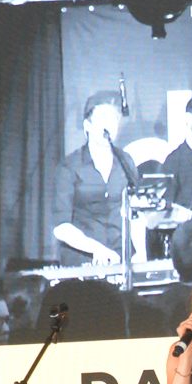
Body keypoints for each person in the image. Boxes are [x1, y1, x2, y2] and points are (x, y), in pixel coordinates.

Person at [53, 90, 140, 266]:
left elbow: (136, 213)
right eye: (103, 118)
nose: (109, 124)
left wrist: (140, 253)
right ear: (87, 125)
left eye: (113, 119)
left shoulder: (126, 162)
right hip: (84, 260)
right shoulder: (70, 167)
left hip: (122, 258)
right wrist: (96, 249)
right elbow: (61, 227)